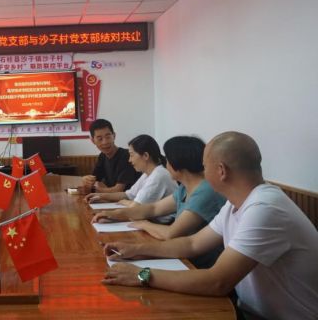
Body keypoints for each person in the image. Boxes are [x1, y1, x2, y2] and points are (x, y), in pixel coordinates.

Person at [102, 132, 318, 320]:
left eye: (205, 167)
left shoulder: (265, 208)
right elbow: (192, 243)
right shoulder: (236, 203)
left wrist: (142, 275)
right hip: (248, 310)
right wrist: (137, 250)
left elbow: (218, 282)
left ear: (221, 171)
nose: (202, 173)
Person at [92, 136, 225, 268]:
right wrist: (114, 214)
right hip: (184, 254)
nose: (165, 164)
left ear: (178, 164)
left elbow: (171, 233)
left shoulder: (204, 191)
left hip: (201, 264)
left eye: (168, 160)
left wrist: (143, 224)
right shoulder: (185, 188)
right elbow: (154, 208)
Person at [88, 135, 177, 221]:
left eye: (131, 155)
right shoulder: (147, 174)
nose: (129, 160)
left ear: (145, 156)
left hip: (165, 223)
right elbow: (128, 195)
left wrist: (124, 205)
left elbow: (135, 209)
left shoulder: (159, 175)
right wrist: (100, 196)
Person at [81, 119, 139, 193]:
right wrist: (86, 180)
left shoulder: (127, 156)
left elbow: (119, 190)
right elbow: (94, 179)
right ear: (93, 141)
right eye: (100, 139)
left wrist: (98, 189)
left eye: (108, 137)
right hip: (114, 199)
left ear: (114, 136)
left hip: (131, 199)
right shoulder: (102, 156)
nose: (105, 142)